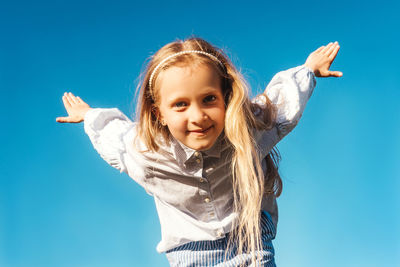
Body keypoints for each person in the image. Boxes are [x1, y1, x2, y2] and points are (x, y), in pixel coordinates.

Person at [56, 37, 342, 266]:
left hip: (251, 246)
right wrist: (88, 115)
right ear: (159, 115)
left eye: (208, 99)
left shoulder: (248, 131)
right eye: (180, 104)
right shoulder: (146, 155)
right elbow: (113, 134)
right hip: (189, 257)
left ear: (226, 97)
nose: (198, 116)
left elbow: (283, 102)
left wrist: (308, 70)